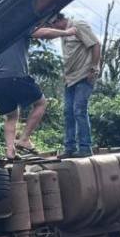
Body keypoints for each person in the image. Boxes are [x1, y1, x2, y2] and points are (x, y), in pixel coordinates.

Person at [0, 25, 75, 160]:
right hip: (16, 76)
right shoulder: (19, 26)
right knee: (41, 103)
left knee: (11, 116)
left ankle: (10, 151)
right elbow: (44, 32)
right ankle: (24, 139)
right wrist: (66, 32)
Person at [47, 12, 101, 157]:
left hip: (84, 75)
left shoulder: (79, 25)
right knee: (68, 113)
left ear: (58, 20)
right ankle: (69, 148)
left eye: (52, 25)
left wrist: (94, 67)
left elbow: (96, 44)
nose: (53, 28)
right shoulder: (64, 33)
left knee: (79, 110)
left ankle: (85, 148)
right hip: (70, 78)